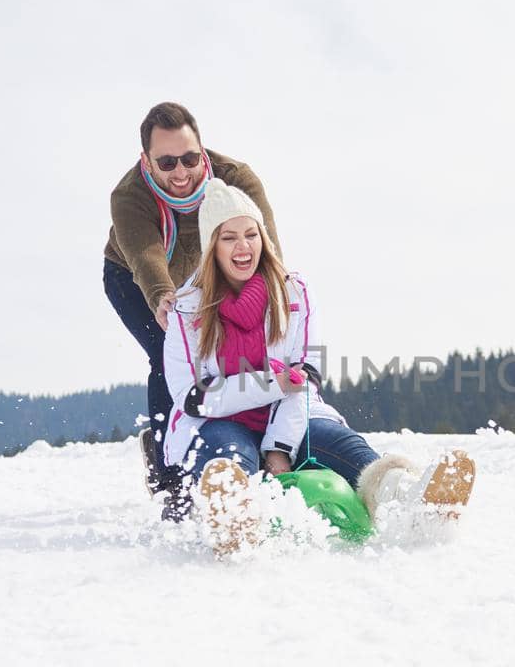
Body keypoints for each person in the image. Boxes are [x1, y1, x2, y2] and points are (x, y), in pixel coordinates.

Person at [162, 182, 474, 553]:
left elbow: (304, 379)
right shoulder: (187, 308)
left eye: (251, 234)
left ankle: (411, 498)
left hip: (290, 413)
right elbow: (194, 397)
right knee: (229, 456)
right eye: (229, 238)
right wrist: (272, 383)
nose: (243, 247)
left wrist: (279, 446)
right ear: (212, 246)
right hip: (219, 421)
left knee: (337, 443)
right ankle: (235, 520)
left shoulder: (292, 294)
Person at [102, 102, 283, 497]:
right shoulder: (130, 196)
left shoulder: (236, 179)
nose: (181, 172)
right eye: (167, 163)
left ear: (201, 150)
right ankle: (172, 480)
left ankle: (254, 448)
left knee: (234, 352)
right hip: (134, 281)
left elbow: (264, 243)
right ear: (146, 161)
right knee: (169, 358)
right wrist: (162, 296)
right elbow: (146, 254)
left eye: (189, 158)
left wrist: (278, 293)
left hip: (210, 276)